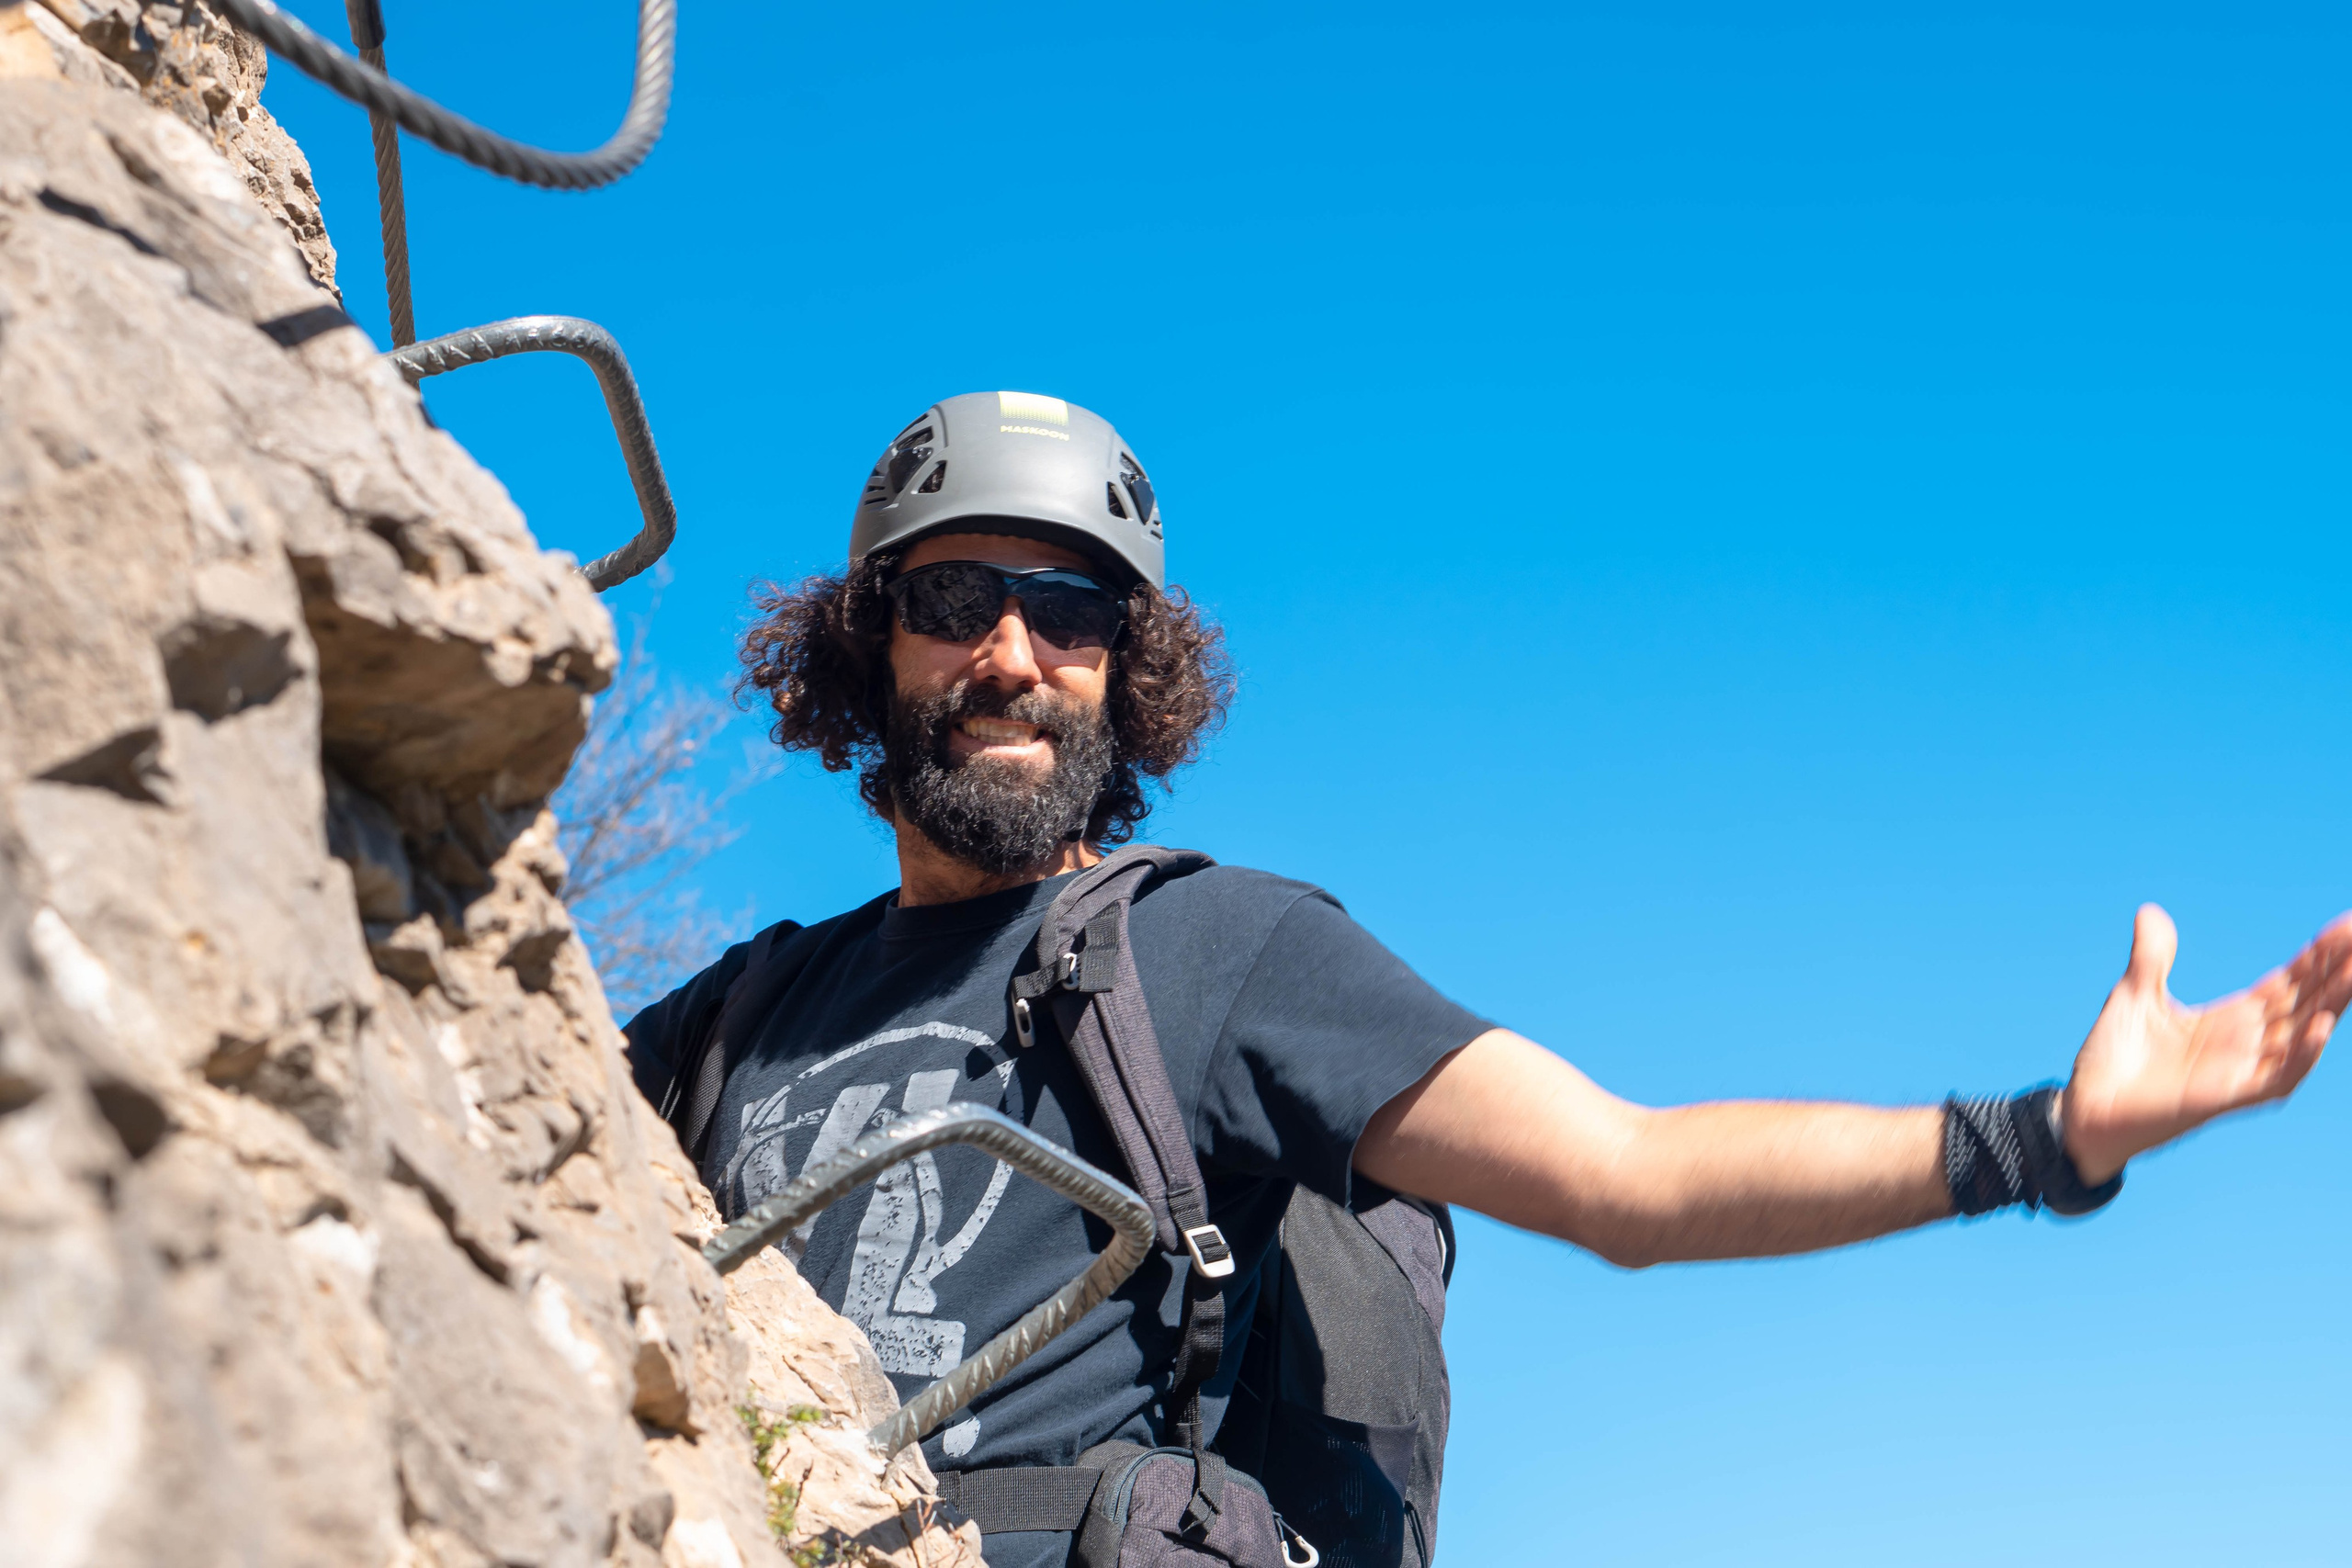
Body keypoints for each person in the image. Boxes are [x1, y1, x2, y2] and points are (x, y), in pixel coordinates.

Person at [625, 390, 2350, 1568]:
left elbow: (1631, 1179)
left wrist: (2045, 1136)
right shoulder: (731, 1019)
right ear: (870, 641)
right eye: (959, 595)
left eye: (1072, 613)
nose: (1015, 655)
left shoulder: (1216, 951)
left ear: (1126, 671)